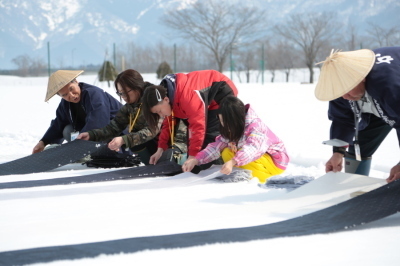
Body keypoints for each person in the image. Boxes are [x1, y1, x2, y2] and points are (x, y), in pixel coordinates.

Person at [314, 47, 400, 182]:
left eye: (347, 90)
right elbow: (342, 119)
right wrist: (338, 152)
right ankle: (354, 190)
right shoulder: (342, 87)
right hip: (380, 102)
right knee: (358, 149)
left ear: (362, 77)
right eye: (340, 92)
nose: (344, 96)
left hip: (391, 98)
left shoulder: (391, 87)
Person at [141, 69, 238, 167]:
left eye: (159, 111)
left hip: (220, 91)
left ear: (166, 100)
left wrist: (192, 157)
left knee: (209, 137)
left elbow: (198, 126)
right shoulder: (167, 97)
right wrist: (160, 149)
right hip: (202, 98)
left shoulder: (187, 98)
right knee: (192, 144)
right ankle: (199, 167)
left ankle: (216, 167)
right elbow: (168, 125)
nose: (161, 115)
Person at [181, 96, 289, 183]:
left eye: (226, 121)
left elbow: (252, 149)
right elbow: (216, 147)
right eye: (221, 121)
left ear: (234, 119)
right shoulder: (232, 128)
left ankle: (264, 179)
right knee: (226, 152)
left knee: (233, 156)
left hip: (274, 162)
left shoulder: (256, 126)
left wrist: (233, 162)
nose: (223, 125)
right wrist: (196, 160)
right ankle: (251, 174)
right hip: (257, 160)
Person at [77, 69, 161, 165]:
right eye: (119, 93)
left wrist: (124, 140)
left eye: (125, 92)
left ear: (137, 87)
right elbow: (113, 128)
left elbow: (152, 130)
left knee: (136, 143)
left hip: (166, 145)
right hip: (151, 148)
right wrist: (91, 135)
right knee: (135, 143)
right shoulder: (130, 106)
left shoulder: (154, 99)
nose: (123, 96)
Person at [32, 70, 122, 154]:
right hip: (91, 135)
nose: (71, 95)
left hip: (118, 131)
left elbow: (98, 120)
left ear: (76, 81)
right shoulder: (65, 104)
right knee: (68, 130)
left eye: (71, 89)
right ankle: (85, 150)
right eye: (65, 94)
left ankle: (89, 151)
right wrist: (43, 142)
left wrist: (80, 143)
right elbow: (58, 124)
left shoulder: (93, 94)